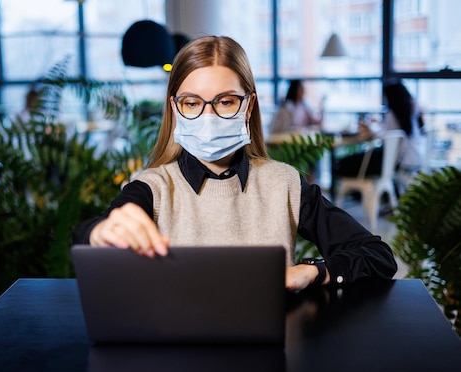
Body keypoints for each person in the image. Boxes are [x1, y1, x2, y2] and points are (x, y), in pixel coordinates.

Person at [72, 36, 397, 291]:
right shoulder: (152, 187)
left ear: (249, 104)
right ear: (174, 108)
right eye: (191, 102)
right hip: (179, 355)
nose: (208, 115)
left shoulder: (284, 184)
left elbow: (376, 256)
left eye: (226, 101)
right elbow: (89, 233)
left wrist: (312, 271)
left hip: (270, 352)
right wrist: (101, 231)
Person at [335, 80, 426, 179]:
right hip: (414, 156)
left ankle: (353, 191)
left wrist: (370, 130)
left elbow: (384, 135)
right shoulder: (412, 111)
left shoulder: (394, 115)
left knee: (344, 163)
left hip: (398, 161)